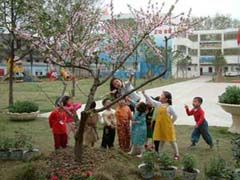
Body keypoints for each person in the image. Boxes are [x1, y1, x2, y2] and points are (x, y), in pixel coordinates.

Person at [142, 90, 180, 160]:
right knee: (161, 141)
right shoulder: (159, 104)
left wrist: (171, 122)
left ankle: (177, 154)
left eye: (162, 95)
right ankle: (159, 155)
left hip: (168, 127)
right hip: (160, 127)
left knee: (172, 141)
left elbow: (175, 116)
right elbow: (151, 101)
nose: (160, 96)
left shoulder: (169, 107)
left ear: (166, 99)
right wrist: (145, 94)